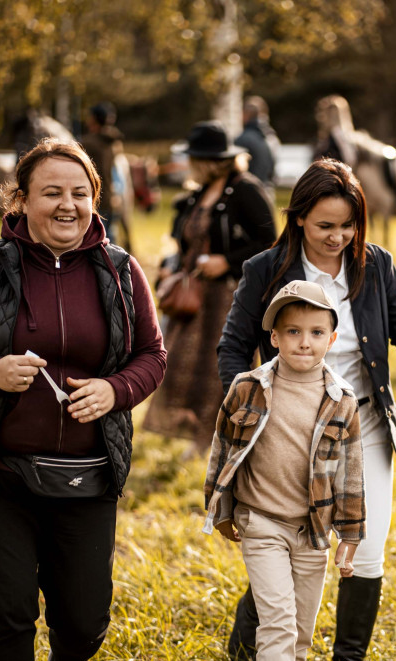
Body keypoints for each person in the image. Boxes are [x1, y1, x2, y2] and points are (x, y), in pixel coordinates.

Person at [0, 138, 167, 661]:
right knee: (5, 620)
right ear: (21, 201)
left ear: (95, 201)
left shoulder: (122, 271)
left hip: (88, 477)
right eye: (51, 192)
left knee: (84, 621)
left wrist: (114, 391)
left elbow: (152, 355)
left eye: (80, 193)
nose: (67, 205)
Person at [218, 158, 396, 661]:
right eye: (325, 226)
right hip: (287, 431)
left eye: (349, 226)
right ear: (298, 218)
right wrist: (246, 404)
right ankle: (248, 635)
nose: (339, 237)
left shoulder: (377, 263)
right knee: (294, 540)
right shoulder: (265, 269)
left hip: (362, 427)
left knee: (365, 550)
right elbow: (233, 345)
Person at [204, 280, 365, 661]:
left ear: (332, 338)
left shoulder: (342, 399)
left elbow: (351, 472)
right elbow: (222, 450)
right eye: (293, 331)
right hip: (262, 523)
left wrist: (350, 533)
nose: (304, 342)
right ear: (274, 337)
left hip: (313, 531)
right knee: (277, 623)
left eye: (315, 333)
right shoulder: (248, 388)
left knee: (301, 633)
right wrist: (221, 511)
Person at [142, 121, 276, 453]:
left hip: (229, 296)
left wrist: (226, 261)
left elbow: (270, 241)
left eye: (193, 158)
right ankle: (198, 433)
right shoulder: (198, 194)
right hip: (195, 296)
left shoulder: (245, 189)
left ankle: (216, 438)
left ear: (208, 161)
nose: (188, 164)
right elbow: (184, 239)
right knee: (185, 364)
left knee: (219, 367)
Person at [80, 102, 131, 250]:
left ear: (94, 119)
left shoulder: (89, 143)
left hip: (94, 199)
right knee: (109, 239)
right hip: (109, 197)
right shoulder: (112, 142)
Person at [235, 95, 281, 195]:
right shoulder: (271, 137)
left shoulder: (243, 139)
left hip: (249, 193)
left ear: (245, 114)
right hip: (268, 190)